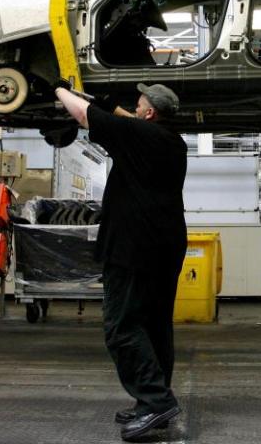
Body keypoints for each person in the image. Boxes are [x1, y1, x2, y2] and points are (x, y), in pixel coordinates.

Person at [53, 80, 187, 442]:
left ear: (149, 113)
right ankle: (150, 401)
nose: (135, 105)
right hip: (163, 247)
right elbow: (124, 118)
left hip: (133, 247)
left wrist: (59, 88)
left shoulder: (139, 135)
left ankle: (157, 401)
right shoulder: (170, 141)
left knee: (122, 326)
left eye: (139, 102)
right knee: (155, 326)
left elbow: (83, 115)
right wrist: (106, 102)